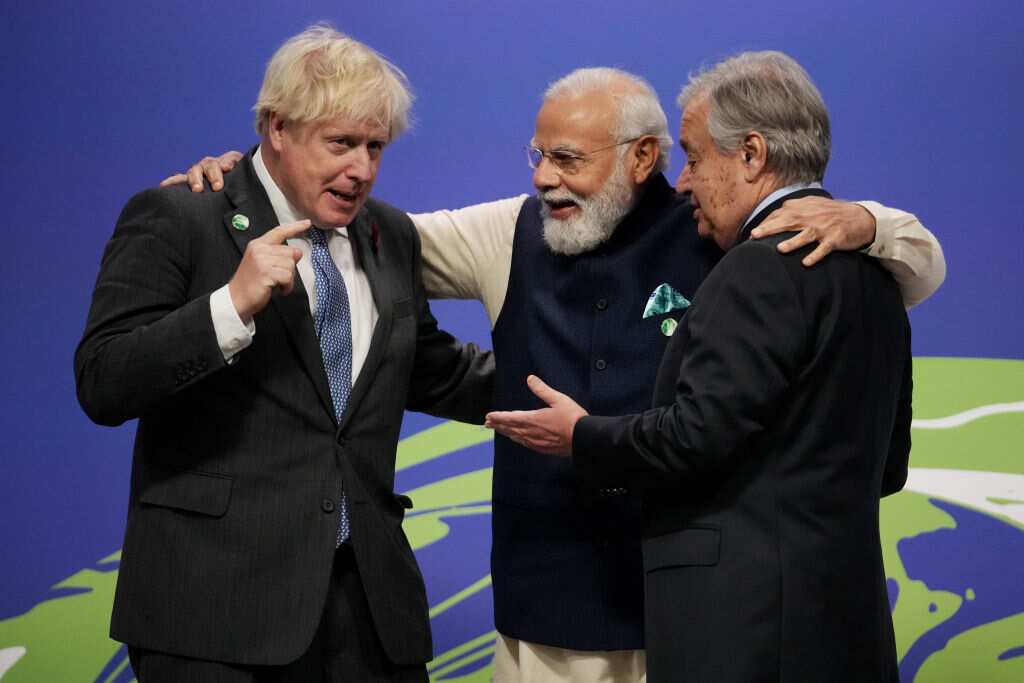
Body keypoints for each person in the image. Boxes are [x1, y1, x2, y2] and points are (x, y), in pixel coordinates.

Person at [171, 68, 944, 683]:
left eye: (569, 158)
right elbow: (356, 235)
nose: (545, 178)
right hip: (546, 612)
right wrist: (252, 184)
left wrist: (874, 220)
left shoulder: (727, 232)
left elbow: (905, 263)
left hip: (685, 614)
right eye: (537, 155)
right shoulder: (506, 230)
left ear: (644, 157)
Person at [75, 25, 492, 683]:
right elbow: (103, 380)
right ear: (276, 128)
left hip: (369, 615)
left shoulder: (390, 234)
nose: (361, 168)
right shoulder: (182, 216)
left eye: (375, 147)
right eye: (340, 143)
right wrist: (230, 305)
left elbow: (432, 369)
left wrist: (590, 392)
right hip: (212, 617)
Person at [486, 51, 911, 683]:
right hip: (843, 623)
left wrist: (581, 437)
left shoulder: (753, 269)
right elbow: (889, 465)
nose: (683, 182)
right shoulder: (881, 275)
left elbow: (695, 435)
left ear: (751, 155)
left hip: (747, 628)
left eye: (694, 157)